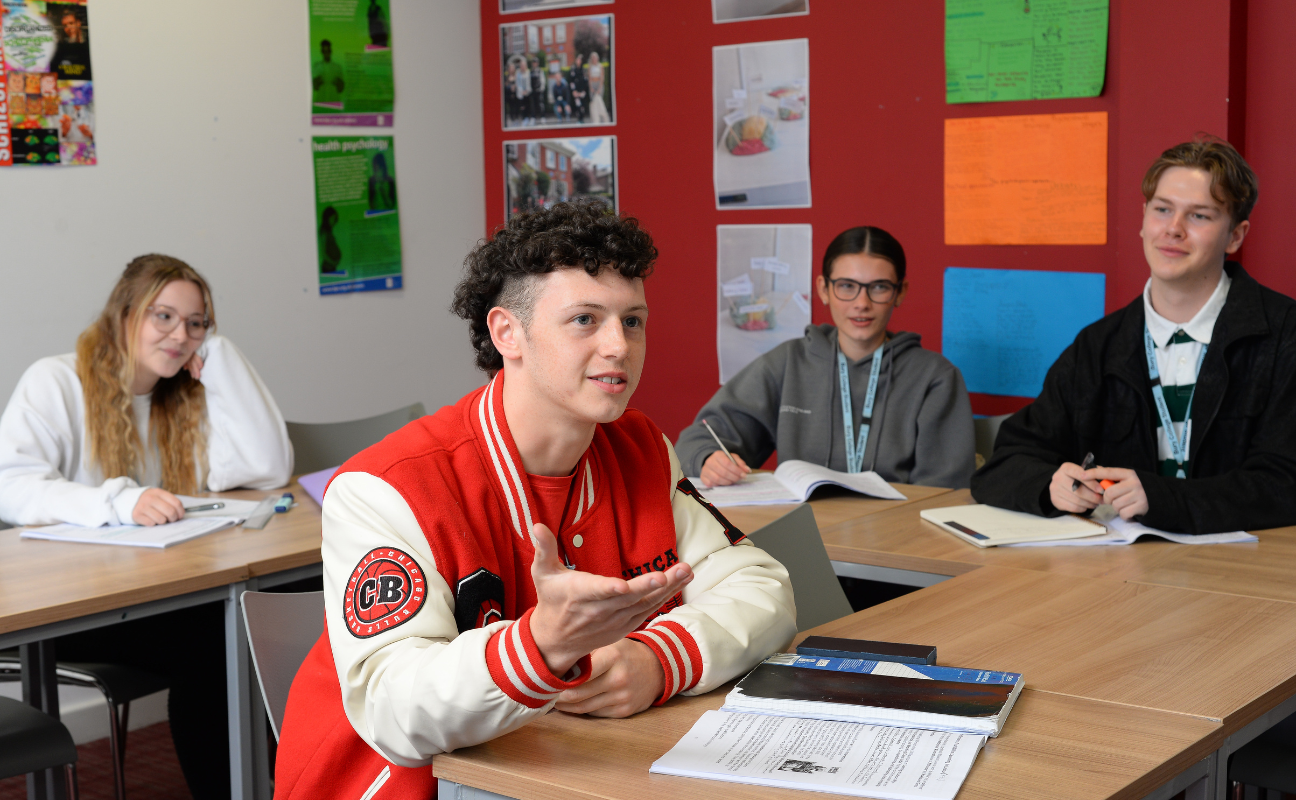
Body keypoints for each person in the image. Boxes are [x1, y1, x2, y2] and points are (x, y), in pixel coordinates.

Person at [273, 199, 796, 799]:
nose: (618, 346)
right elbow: (396, 711)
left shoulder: (641, 446)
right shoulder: (386, 487)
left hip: (567, 770)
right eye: (584, 319)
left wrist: (659, 661)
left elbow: (761, 587)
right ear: (507, 333)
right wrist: (542, 644)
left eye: (632, 320)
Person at [0, 254, 293, 799]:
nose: (180, 336)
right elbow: (11, 486)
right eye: (163, 317)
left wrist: (222, 358)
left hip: (164, 592)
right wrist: (117, 501)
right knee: (220, 643)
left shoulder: (182, 395)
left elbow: (269, 468)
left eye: (197, 323)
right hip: (77, 604)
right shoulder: (56, 381)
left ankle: (286, 782)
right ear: (124, 314)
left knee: (280, 606)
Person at [972, 137, 1296, 534]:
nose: (1173, 229)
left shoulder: (1285, 335)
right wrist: (1050, 486)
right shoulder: (1098, 345)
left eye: (1199, 216)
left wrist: (1163, 499)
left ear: (1235, 236)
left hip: (1245, 577)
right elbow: (1006, 461)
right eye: (1162, 210)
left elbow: (1285, 481)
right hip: (1122, 575)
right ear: (1143, 219)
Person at [676, 226, 976, 489]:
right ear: (824, 289)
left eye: (879, 288)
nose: (862, 303)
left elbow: (945, 493)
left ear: (900, 292)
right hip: (802, 535)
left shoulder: (935, 378)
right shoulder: (789, 362)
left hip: (894, 542)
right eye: (847, 286)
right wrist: (708, 459)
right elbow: (697, 440)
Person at [48, 4, 92, 80]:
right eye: (65, 25)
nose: (68, 28)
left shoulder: (89, 38)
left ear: (78, 23)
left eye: (71, 23)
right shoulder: (63, 45)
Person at [312, 39, 345, 106]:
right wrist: (318, 81)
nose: (326, 53)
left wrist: (338, 83)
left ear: (331, 51)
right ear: (322, 51)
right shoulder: (316, 66)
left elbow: (341, 89)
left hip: (334, 99)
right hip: (320, 99)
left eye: (328, 51)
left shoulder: (337, 67)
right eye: (324, 51)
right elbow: (315, 87)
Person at [587, 51, 610, 124]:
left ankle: (603, 117)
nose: (594, 59)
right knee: (593, 101)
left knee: (599, 101)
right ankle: (594, 119)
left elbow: (602, 77)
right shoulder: (590, 66)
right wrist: (591, 87)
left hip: (599, 84)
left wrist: (599, 88)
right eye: (593, 58)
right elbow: (589, 78)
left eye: (595, 57)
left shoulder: (600, 66)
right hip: (593, 84)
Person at [570, 53, 589, 122]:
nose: (578, 61)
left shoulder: (584, 70)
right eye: (577, 59)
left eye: (580, 60)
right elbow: (571, 82)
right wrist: (574, 91)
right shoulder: (573, 70)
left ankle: (582, 119)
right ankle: (579, 120)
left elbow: (586, 82)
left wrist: (584, 91)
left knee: (582, 106)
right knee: (578, 105)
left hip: (582, 92)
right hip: (576, 92)